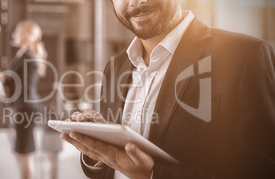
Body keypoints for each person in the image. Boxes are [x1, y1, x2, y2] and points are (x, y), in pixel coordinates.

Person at [60, 0, 275, 178]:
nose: (137, 2)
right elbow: (112, 168)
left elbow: (262, 169)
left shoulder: (245, 56)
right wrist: (97, 154)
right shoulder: (115, 67)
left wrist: (153, 174)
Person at [5, 20, 48, 179]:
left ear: (24, 36)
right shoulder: (23, 54)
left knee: (25, 152)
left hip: (25, 108)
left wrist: (3, 80)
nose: (13, 35)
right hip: (23, 106)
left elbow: (24, 87)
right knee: (22, 151)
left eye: (17, 31)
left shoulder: (28, 56)